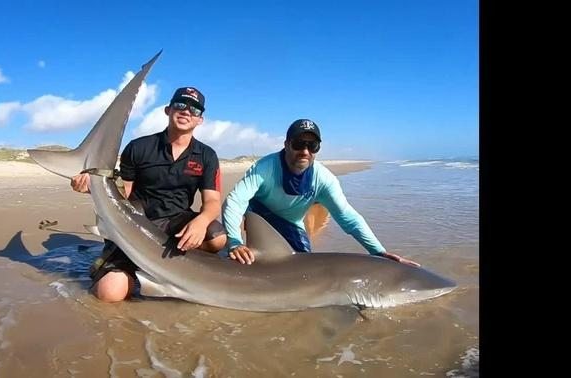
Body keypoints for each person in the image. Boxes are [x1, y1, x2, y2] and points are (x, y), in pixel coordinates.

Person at [71, 87, 227, 302]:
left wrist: (201, 221)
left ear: (200, 120)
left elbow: (212, 201)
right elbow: (124, 192)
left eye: (194, 109)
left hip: (177, 221)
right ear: (167, 110)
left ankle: (178, 267)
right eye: (180, 105)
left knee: (217, 238)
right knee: (110, 295)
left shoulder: (207, 155)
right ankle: (126, 260)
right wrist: (91, 187)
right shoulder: (139, 147)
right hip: (137, 219)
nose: (186, 112)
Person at [222, 118, 420, 267]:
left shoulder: (323, 178)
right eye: (299, 144)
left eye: (312, 145)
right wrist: (235, 242)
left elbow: (348, 218)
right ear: (286, 144)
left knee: (303, 267)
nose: (305, 151)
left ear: (317, 149)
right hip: (257, 213)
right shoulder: (264, 168)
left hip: (290, 222)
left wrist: (378, 252)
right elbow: (234, 202)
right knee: (232, 253)